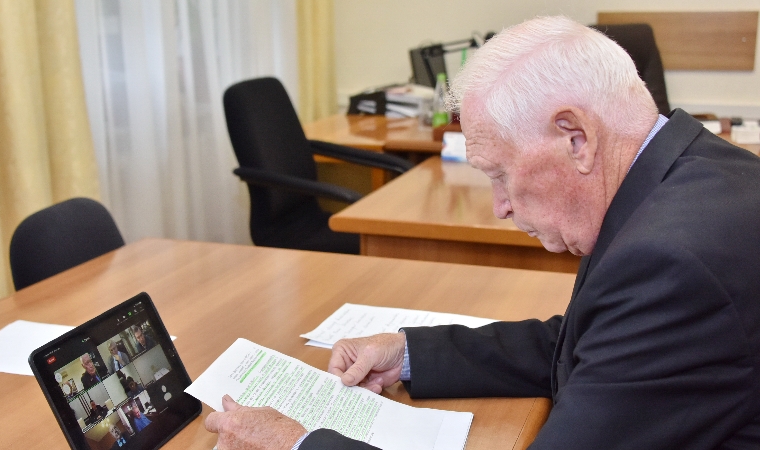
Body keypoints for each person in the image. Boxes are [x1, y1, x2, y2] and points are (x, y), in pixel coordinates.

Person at [203, 16, 760, 450]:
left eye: (500, 174)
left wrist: (297, 444)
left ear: (576, 138)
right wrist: (409, 352)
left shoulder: (673, 262)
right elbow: (587, 342)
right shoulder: (686, 174)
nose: (499, 207)